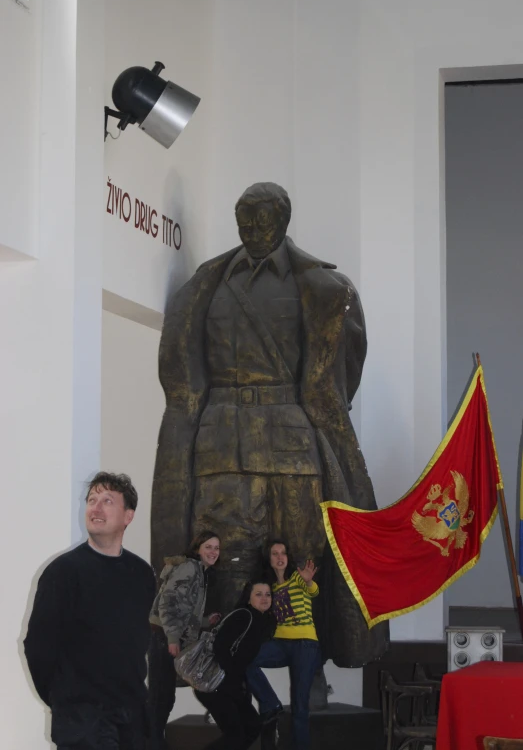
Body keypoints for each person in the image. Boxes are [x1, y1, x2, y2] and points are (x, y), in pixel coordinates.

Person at [151, 181, 388, 668]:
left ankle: (311, 658)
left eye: (265, 220)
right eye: (246, 221)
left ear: (284, 221)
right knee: (225, 555)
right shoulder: (207, 284)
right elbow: (183, 373)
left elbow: (345, 371)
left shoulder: (326, 288)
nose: (255, 231)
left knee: (306, 552)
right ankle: (221, 666)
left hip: (292, 443)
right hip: (221, 446)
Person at [24, 472, 156, 750]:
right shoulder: (63, 572)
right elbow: (38, 646)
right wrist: (64, 701)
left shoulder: (142, 573)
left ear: (128, 516)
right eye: (92, 500)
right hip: (83, 721)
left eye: (107, 500)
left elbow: (138, 641)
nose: (95, 508)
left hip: (132, 717)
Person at [148, 530, 221, 749]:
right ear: (197, 548)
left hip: (167, 636)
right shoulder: (190, 568)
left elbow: (184, 610)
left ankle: (154, 742)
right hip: (163, 637)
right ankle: (152, 744)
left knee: (164, 699)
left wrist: (206, 621)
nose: (213, 552)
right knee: (160, 698)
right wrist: (172, 638)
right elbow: (168, 603)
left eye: (217, 548)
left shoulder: (199, 572)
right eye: (208, 546)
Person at [246, 540, 321, 750]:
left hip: (305, 644)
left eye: (283, 553)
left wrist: (307, 582)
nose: (280, 557)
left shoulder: (297, 577)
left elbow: (313, 591)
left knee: (299, 704)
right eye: (275, 553)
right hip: (280, 643)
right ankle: (270, 703)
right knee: (246, 658)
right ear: (269, 559)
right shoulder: (270, 588)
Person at [194, 580, 276, 750]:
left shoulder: (263, 621)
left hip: (232, 686)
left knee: (252, 727)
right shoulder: (244, 616)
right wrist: (232, 680)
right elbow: (220, 647)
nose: (264, 598)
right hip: (216, 684)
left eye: (268, 594)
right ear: (248, 598)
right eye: (258, 594)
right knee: (235, 736)